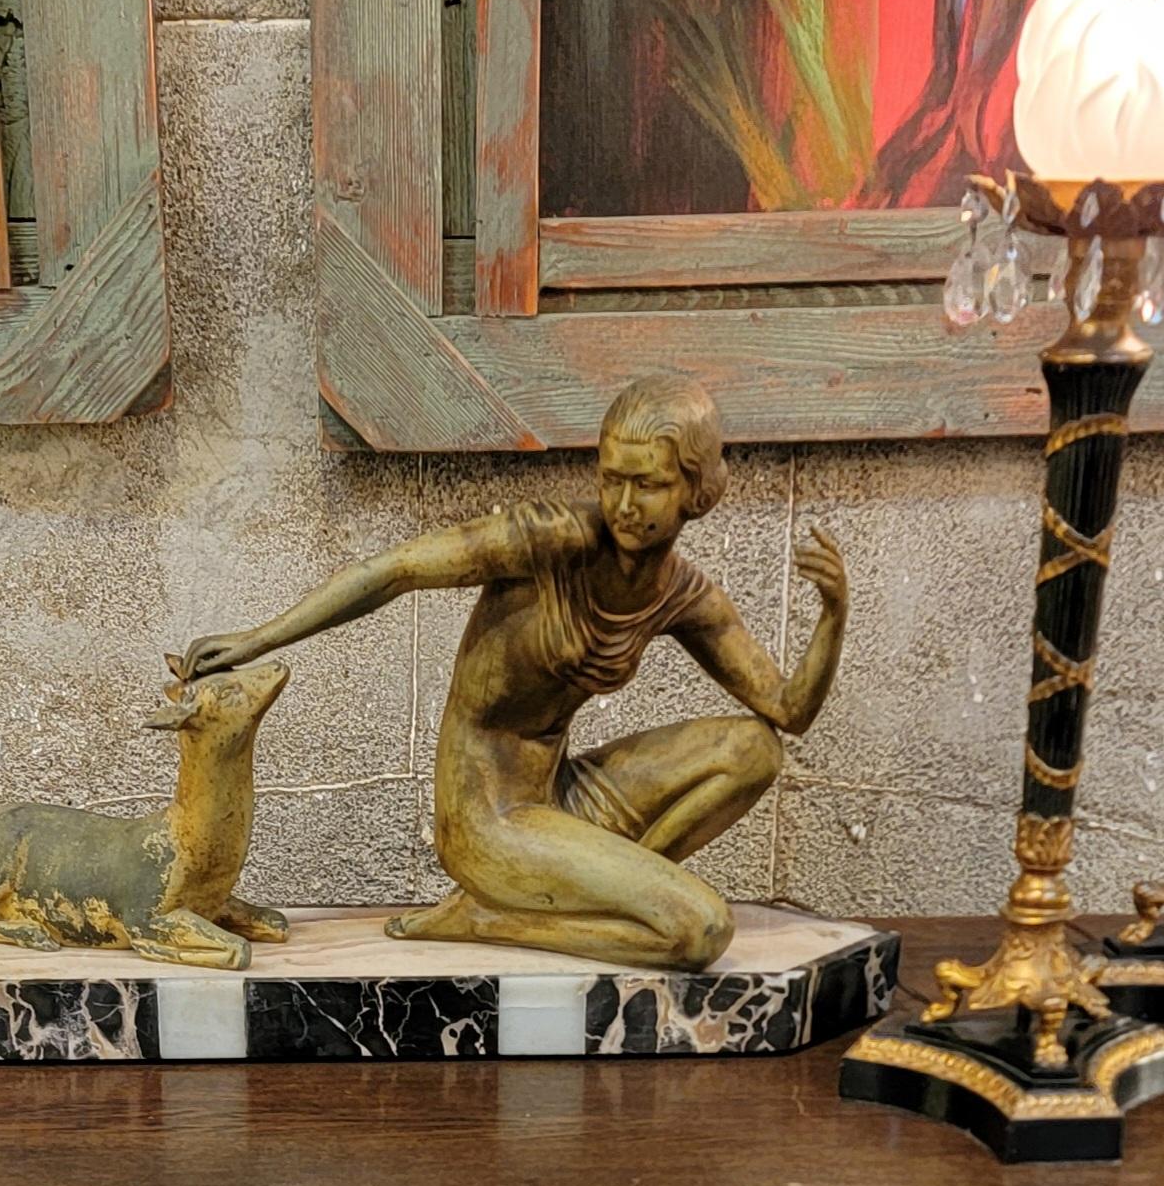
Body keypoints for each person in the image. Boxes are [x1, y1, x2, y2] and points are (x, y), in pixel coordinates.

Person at [172, 372, 845, 971]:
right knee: (702, 931)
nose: (624, 504)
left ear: (697, 490)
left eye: (650, 484)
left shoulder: (683, 595)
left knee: (756, 748)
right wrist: (257, 638)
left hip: (562, 794)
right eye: (612, 478)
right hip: (487, 815)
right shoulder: (551, 539)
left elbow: (787, 710)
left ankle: (612, 896)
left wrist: (832, 615)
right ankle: (494, 913)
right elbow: (398, 569)